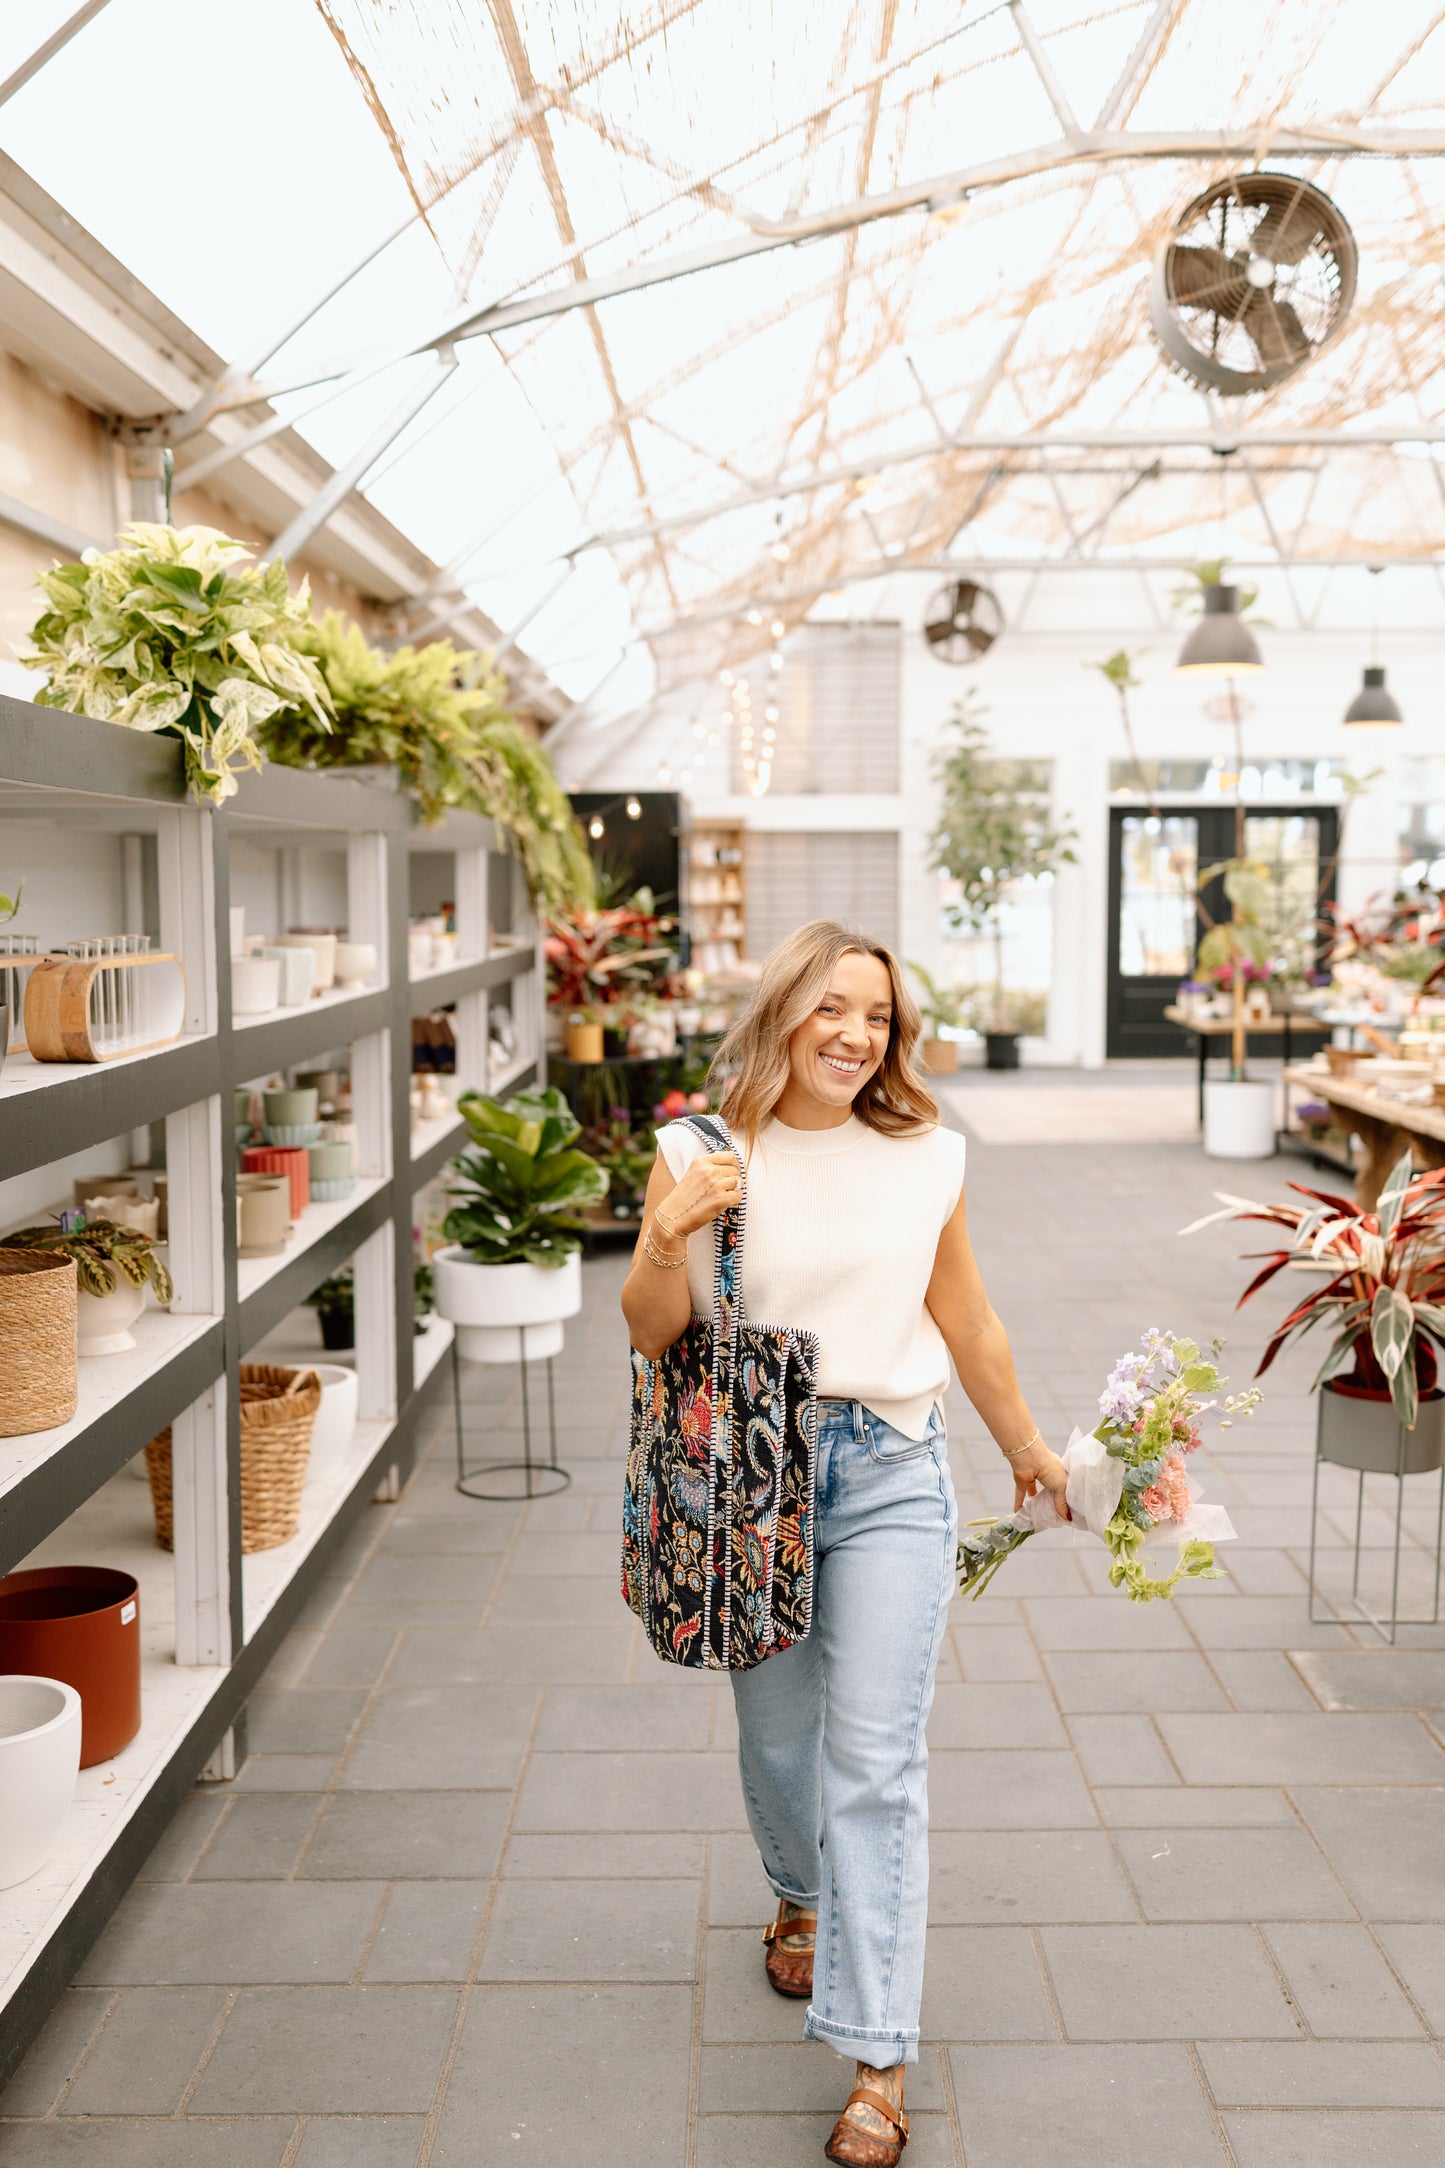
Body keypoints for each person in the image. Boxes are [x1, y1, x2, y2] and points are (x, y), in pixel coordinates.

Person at [621, 919, 1068, 2167]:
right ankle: (799, 1889)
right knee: (777, 1737)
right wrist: (664, 1234)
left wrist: (1028, 1445)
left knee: (874, 1759)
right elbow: (651, 1330)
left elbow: (965, 1317)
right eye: (830, 1006)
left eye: (875, 1015)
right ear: (782, 1011)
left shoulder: (925, 1154)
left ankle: (877, 2055)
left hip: (888, 1466)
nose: (854, 1033)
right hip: (746, 1482)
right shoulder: (701, 1150)